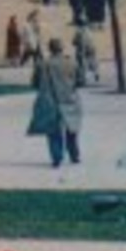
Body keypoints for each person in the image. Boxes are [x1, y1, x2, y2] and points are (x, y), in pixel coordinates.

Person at [27, 38, 83, 167]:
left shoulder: (42, 64)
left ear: (50, 49)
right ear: (62, 48)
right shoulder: (72, 63)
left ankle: (57, 157)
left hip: (50, 101)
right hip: (70, 100)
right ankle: (74, 155)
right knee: (72, 129)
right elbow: (81, 82)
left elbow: (35, 83)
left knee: (53, 131)